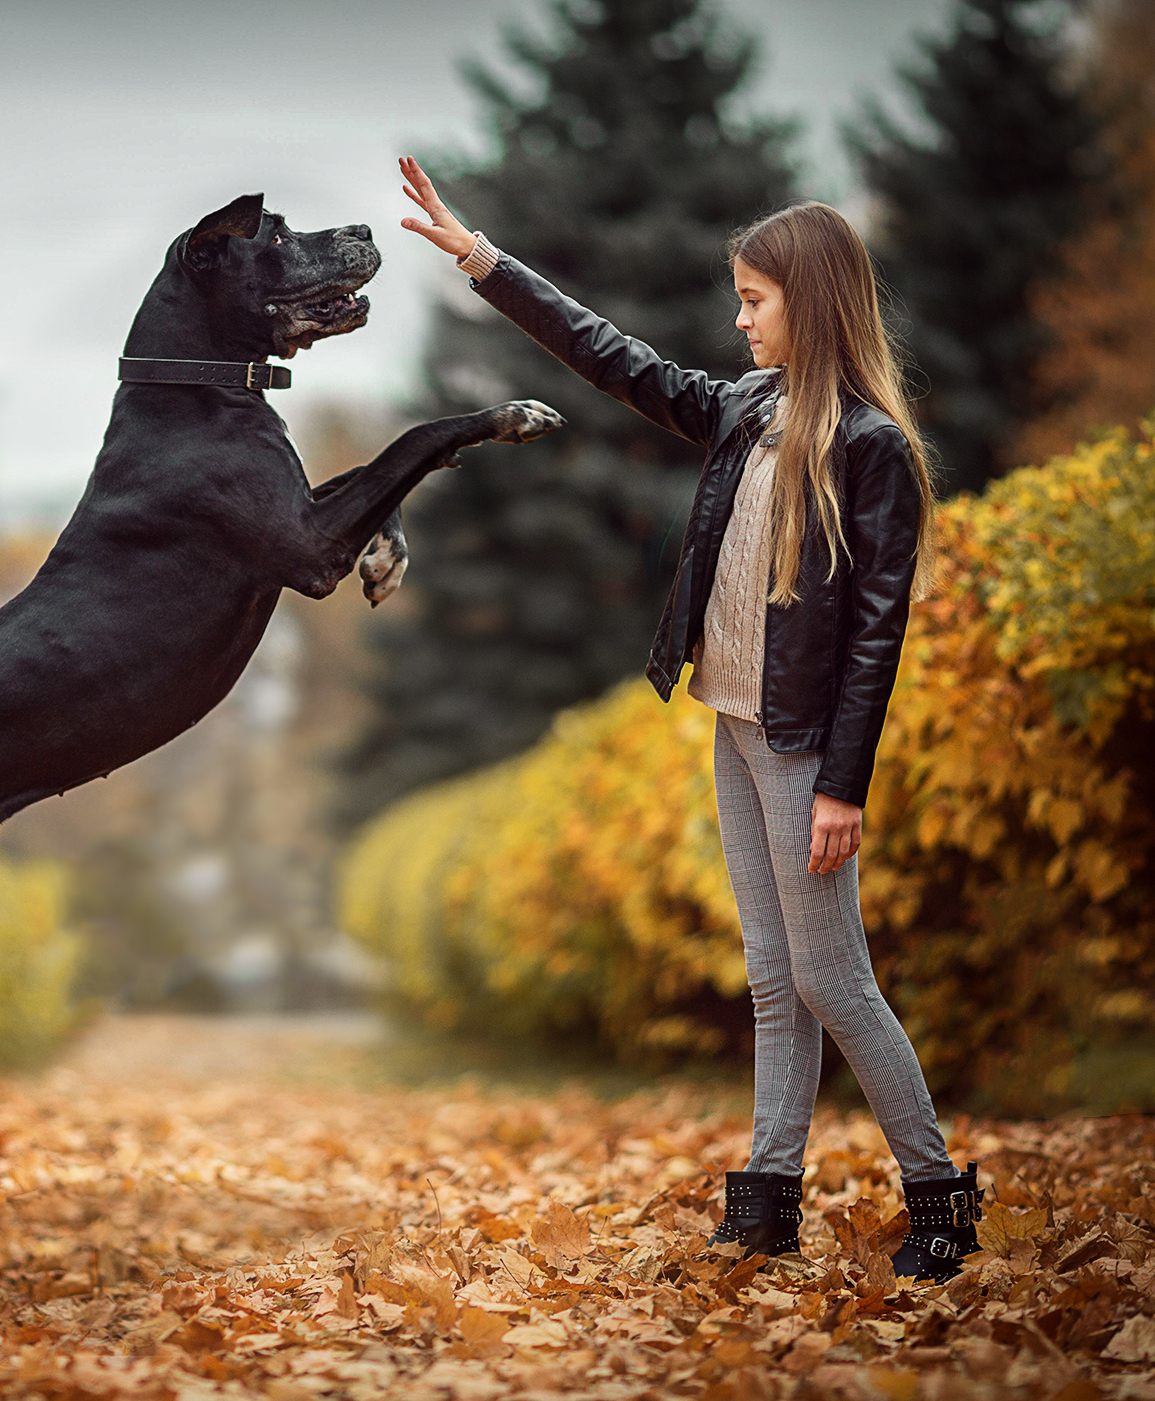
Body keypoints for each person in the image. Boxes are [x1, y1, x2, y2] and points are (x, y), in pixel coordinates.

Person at [394, 155, 984, 1281]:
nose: (738, 317)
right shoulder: (744, 409)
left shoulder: (868, 451)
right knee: (772, 978)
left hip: (804, 745)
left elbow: (874, 635)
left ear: (806, 305)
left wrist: (842, 786)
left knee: (831, 979)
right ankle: (764, 1199)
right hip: (733, 724)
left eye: (754, 300)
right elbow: (611, 358)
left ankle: (937, 1193)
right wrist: (480, 259)